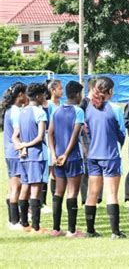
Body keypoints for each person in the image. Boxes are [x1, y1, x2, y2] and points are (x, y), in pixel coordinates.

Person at [84, 76, 126, 239]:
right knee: (112, 194)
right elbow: (121, 133)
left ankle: (90, 230)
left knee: (92, 193)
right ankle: (115, 232)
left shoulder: (89, 108)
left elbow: (88, 131)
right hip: (110, 155)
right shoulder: (115, 109)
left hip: (93, 155)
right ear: (109, 91)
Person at [48, 81, 86, 237]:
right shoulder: (78, 111)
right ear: (77, 94)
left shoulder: (56, 111)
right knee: (73, 192)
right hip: (73, 158)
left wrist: (54, 154)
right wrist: (66, 154)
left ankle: (56, 229)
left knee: (58, 191)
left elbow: (50, 133)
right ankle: (71, 230)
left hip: (57, 158)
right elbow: (75, 135)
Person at [13, 83, 49, 234]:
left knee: (25, 188)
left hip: (24, 156)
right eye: (44, 95)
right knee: (36, 190)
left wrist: (21, 146)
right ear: (39, 96)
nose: (45, 98)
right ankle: (35, 227)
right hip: (36, 155)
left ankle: (24, 224)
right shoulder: (40, 113)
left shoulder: (22, 112)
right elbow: (40, 137)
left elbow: (16, 136)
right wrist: (27, 144)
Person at [1, 82, 28, 230]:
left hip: (9, 152)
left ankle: (11, 219)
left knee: (12, 186)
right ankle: (14, 221)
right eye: (25, 93)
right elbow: (17, 133)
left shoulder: (9, 110)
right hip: (16, 151)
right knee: (17, 187)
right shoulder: (17, 112)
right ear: (20, 95)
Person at [40, 79, 63, 214]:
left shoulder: (62, 105)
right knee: (46, 172)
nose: (62, 91)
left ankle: (55, 200)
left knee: (55, 172)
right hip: (48, 139)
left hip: (58, 140)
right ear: (53, 90)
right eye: (60, 88)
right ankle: (42, 203)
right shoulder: (47, 105)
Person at [79, 77, 103, 205]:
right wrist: (83, 143)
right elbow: (79, 123)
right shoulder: (84, 103)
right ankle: (85, 197)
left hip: (98, 141)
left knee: (100, 168)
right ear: (93, 88)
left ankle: (98, 197)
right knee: (86, 170)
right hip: (87, 141)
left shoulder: (100, 102)